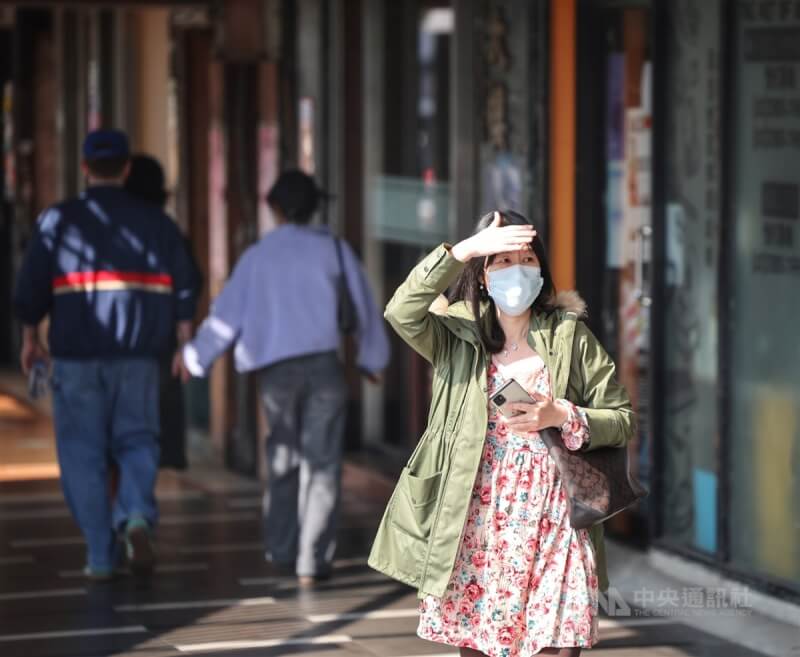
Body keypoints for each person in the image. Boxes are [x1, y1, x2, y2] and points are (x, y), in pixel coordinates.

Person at [368, 210, 636, 656]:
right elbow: (401, 310)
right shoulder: (455, 335)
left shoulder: (570, 335)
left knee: (558, 642)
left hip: (556, 518)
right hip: (476, 517)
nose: (518, 270)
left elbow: (622, 417)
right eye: (501, 260)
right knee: (478, 643)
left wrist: (562, 414)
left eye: (527, 259)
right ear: (482, 275)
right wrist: (464, 250)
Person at [180, 169, 390, 587]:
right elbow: (365, 306)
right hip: (325, 367)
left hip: (276, 375)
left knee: (283, 458)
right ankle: (312, 561)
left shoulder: (259, 255)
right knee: (324, 463)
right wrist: (371, 359)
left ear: (274, 208)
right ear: (314, 207)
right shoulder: (334, 249)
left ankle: (280, 547)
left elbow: (226, 317)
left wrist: (194, 359)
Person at [14, 130, 198, 580]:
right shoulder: (156, 222)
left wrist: (30, 337)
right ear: (127, 169)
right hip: (139, 357)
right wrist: (184, 337)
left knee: (82, 452)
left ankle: (99, 553)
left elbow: (30, 288)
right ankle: (134, 514)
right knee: (137, 440)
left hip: (77, 359)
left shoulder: (59, 221)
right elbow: (187, 282)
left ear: (84, 168)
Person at [125, 153, 202, 470]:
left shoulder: (108, 228)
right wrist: (185, 341)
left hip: (109, 346)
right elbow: (189, 285)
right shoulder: (167, 230)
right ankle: (139, 504)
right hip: (158, 343)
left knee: (121, 429)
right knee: (152, 426)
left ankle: (126, 504)